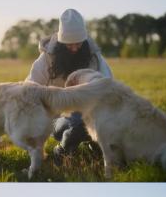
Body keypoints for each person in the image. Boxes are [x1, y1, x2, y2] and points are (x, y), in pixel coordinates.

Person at [26, 9, 113, 158]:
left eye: (78, 43)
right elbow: (29, 88)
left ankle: (94, 144)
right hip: (57, 117)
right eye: (69, 44)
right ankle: (62, 150)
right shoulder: (47, 59)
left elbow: (108, 86)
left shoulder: (94, 57)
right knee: (78, 123)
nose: (74, 48)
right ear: (61, 42)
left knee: (101, 124)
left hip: (91, 113)